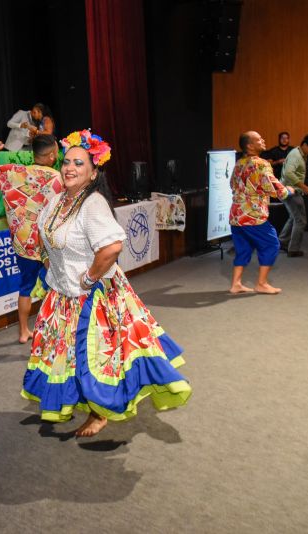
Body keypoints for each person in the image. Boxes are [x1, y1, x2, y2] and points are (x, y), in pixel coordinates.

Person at [22, 129, 191, 438]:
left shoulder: (93, 203)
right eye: (67, 162)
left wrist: (88, 278)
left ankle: (100, 413)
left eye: (79, 163)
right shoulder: (59, 199)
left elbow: (112, 248)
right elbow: (43, 235)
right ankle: (81, 403)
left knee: (97, 357)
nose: (70, 168)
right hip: (63, 295)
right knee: (68, 356)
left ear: (93, 171)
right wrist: (51, 266)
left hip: (92, 298)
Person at [0, 134, 63, 343]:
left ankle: (24, 331)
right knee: (56, 287)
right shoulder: (57, 179)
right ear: (52, 155)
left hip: (22, 244)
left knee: (25, 287)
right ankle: (54, 330)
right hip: (47, 245)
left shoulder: (12, 173)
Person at [228, 131, 294, 294]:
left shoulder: (239, 163)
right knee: (272, 244)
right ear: (250, 145)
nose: (263, 140)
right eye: (259, 139)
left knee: (243, 248)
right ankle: (262, 283)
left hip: (236, 215)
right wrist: (289, 190)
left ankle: (236, 284)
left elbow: (232, 184)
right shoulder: (261, 163)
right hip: (253, 216)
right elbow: (273, 187)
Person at [278, 133, 308, 257]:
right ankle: (293, 249)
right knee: (301, 220)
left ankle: (282, 242)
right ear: (305, 144)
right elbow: (289, 174)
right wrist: (304, 187)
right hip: (291, 192)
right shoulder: (296, 155)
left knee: (293, 217)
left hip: (287, 190)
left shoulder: (299, 153)